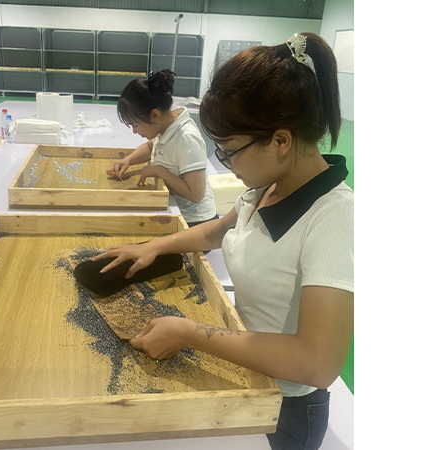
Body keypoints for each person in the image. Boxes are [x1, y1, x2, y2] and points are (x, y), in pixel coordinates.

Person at [92, 33, 353, 450]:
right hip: (246, 370)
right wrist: (152, 247)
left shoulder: (335, 217)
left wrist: (189, 332)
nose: (226, 164)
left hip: (287, 408)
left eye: (229, 151)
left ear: (281, 141)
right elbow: (217, 229)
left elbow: (317, 364)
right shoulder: (266, 186)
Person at [107, 69, 218, 229]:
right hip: (173, 207)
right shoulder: (165, 125)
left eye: (135, 125)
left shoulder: (186, 138)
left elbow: (196, 194)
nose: (134, 132)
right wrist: (128, 160)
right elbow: (150, 146)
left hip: (195, 222)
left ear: (154, 115)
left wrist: (159, 171)